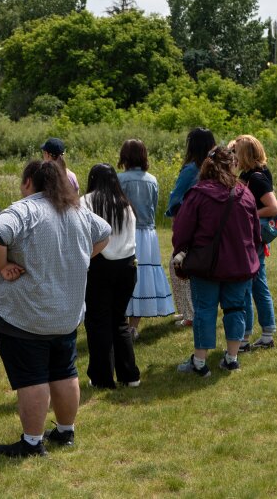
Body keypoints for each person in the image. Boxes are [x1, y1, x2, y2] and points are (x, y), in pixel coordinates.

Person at [0, 160, 110, 458]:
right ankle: (65, 431)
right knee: (64, 371)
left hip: (27, 314)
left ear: (28, 182)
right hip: (66, 315)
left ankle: (32, 441)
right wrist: (83, 257)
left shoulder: (24, 209)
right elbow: (104, 232)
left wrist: (3, 265)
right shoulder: (77, 210)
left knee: (33, 377)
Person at [173, 145, 261, 377]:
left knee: (204, 310)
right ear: (232, 165)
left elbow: (182, 231)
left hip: (206, 266)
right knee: (235, 309)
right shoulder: (246, 194)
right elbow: (255, 233)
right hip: (239, 264)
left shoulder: (198, 194)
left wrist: (180, 252)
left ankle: (200, 363)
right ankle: (232, 358)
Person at [80, 164, 140, 389]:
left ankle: (102, 377)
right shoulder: (125, 204)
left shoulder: (86, 202)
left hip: (99, 265)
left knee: (98, 322)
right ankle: (130, 375)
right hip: (126, 266)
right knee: (119, 321)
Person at [117, 139, 175, 337]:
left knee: (124, 275)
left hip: (127, 231)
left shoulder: (120, 179)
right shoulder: (152, 179)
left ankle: (123, 322)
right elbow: (154, 205)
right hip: (148, 233)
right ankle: (134, 326)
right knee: (143, 277)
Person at [232, 134, 277, 351]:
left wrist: (248, 214)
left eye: (236, 151)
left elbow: (273, 209)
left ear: (245, 154)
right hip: (253, 237)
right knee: (256, 283)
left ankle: (244, 338)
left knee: (249, 285)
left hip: (252, 238)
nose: (233, 155)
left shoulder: (256, 177)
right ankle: (265, 333)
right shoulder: (251, 174)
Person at [165, 128, 216, 327]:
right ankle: (187, 310)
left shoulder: (191, 168)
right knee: (191, 267)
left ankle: (190, 314)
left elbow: (176, 197)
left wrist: (172, 215)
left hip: (188, 222)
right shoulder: (213, 167)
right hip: (206, 223)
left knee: (178, 266)